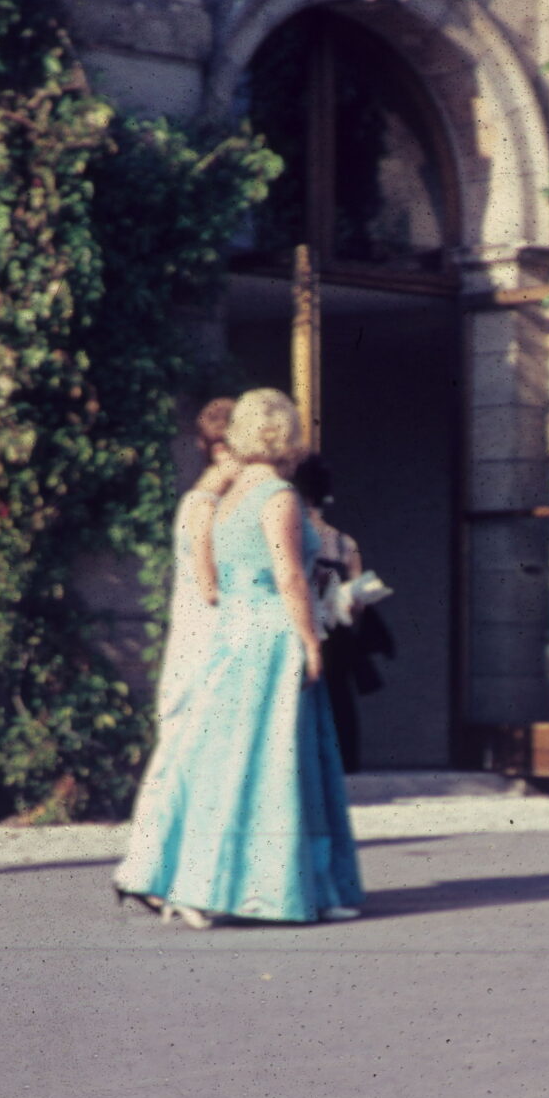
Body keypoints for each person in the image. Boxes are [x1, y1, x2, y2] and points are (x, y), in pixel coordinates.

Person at [113, 389, 364, 929]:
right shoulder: (278, 495)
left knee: (231, 765)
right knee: (282, 766)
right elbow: (289, 575)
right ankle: (284, 887)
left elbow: (214, 583)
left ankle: (217, 884)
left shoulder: (226, 498)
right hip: (272, 636)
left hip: (234, 634)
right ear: (285, 433)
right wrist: (311, 640)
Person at [111, 399, 239, 917]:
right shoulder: (205, 502)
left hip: (200, 641)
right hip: (203, 644)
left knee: (186, 758)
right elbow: (211, 586)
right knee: (184, 758)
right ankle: (148, 870)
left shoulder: (209, 499)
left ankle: (156, 871)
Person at [287, 453, 377, 774]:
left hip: (300, 623)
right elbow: (358, 601)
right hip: (335, 630)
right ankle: (343, 763)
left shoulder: (291, 535)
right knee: (338, 697)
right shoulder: (343, 543)